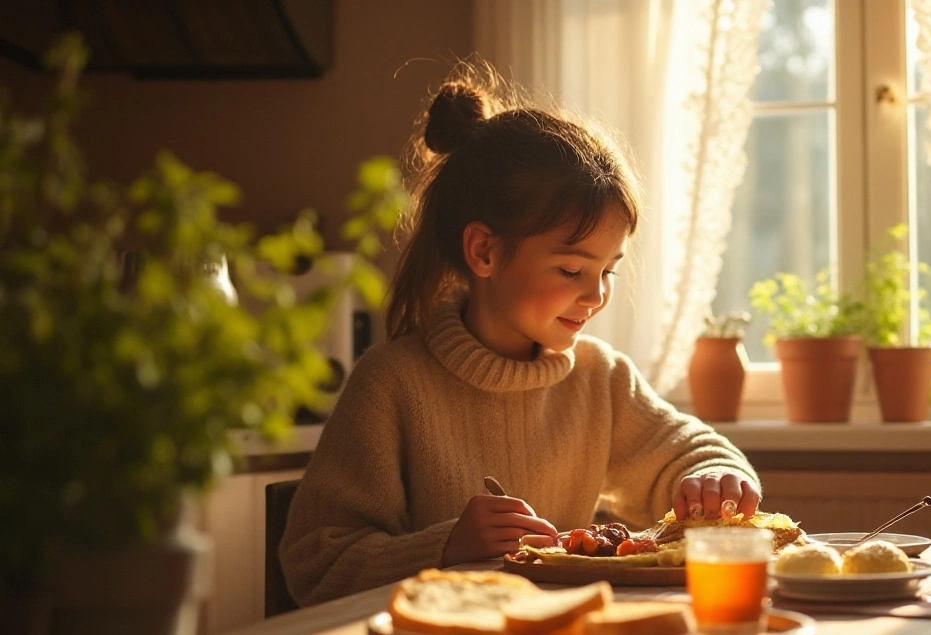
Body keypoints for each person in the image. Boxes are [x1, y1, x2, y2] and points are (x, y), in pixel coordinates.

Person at [280, 62, 760, 606]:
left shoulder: (599, 379)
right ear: (484, 251)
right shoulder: (390, 385)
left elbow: (691, 452)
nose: (597, 295)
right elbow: (316, 563)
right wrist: (445, 548)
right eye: (571, 270)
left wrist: (714, 476)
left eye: (608, 270)